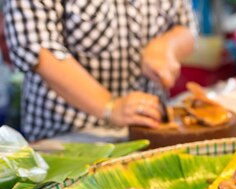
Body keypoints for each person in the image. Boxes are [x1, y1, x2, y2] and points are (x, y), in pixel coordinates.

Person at [3, 0, 197, 140]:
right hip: (69, 138)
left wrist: (167, 45)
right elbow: (34, 44)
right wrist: (109, 106)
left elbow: (186, 27)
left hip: (150, 131)